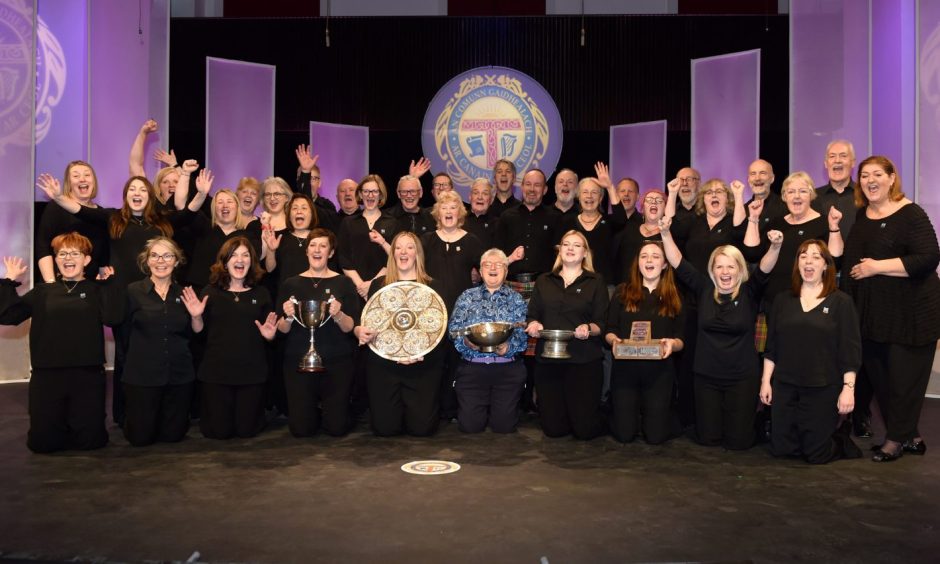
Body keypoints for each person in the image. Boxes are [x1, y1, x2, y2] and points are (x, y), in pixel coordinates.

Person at [841, 155, 940, 462]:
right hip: (873, 316)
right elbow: (853, 264)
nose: (871, 181)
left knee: (903, 381)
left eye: (877, 175)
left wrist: (876, 267)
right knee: (882, 379)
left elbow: (928, 258)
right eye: (865, 176)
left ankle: (895, 439)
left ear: (891, 178)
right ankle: (911, 436)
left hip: (912, 315)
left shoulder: (910, 214)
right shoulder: (862, 216)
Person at [659, 215, 783, 449]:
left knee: (738, 443)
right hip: (706, 376)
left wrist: (775, 246)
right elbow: (679, 263)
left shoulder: (749, 292)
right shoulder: (704, 288)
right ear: (712, 270)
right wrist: (665, 233)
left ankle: (758, 423)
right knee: (709, 439)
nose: (725, 272)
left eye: (731, 266)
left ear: (740, 269)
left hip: (741, 378)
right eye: (720, 266)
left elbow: (765, 268)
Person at [0, 233, 121, 453]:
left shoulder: (96, 289)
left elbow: (112, 318)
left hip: (87, 373)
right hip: (48, 373)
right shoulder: (42, 292)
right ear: (55, 260)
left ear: (86, 260)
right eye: (62, 253)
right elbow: (7, 316)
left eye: (75, 253)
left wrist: (110, 286)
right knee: (43, 444)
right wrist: (9, 281)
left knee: (91, 442)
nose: (68, 257)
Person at [760, 240, 862, 463]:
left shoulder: (841, 302)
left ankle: (841, 439)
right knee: (781, 449)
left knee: (816, 455)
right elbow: (772, 346)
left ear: (826, 265)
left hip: (822, 387)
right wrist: (766, 381)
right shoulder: (782, 300)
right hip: (786, 385)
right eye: (803, 256)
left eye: (816, 257)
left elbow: (850, 350)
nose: (809, 261)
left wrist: (848, 389)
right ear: (797, 263)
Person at [183, 237, 278, 439]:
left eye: (245, 255)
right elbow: (198, 332)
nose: (240, 260)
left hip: (251, 373)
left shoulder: (261, 293)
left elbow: (269, 332)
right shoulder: (210, 292)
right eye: (234, 255)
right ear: (225, 262)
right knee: (219, 432)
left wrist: (270, 336)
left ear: (251, 262)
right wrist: (196, 316)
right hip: (217, 373)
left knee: (247, 431)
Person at [354, 232, 446, 437]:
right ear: (392, 253)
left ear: (418, 254)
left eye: (410, 247)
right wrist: (359, 330)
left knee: (422, 430)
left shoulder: (434, 286)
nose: (404, 252)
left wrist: (422, 353)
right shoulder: (378, 285)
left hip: (422, 365)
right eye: (398, 248)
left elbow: (439, 330)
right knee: (385, 429)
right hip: (384, 364)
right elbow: (365, 322)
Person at [525, 230, 609, 439]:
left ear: (584, 253)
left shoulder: (595, 281)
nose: (570, 248)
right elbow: (531, 315)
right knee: (554, 430)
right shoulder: (544, 280)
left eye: (577, 245)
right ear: (560, 250)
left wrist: (588, 329)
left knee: (584, 431)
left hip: (583, 361)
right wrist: (533, 324)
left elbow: (602, 323)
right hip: (548, 361)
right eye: (566, 244)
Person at [277, 228, 360, 437]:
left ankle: (338, 411)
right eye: (313, 245)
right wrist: (287, 316)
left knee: (337, 428)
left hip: (336, 359)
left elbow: (350, 327)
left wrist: (339, 314)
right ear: (306, 251)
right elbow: (282, 329)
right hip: (298, 361)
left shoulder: (343, 283)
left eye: (323, 246)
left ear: (331, 253)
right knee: (301, 430)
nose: (317, 250)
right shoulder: (290, 283)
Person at [605, 242, 684, 444]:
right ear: (637, 262)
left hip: (659, 372)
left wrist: (672, 344)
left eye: (656, 256)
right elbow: (610, 330)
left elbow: (681, 338)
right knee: (624, 435)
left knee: (656, 437)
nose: (649, 260)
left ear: (665, 264)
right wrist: (614, 341)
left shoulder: (674, 295)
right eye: (644, 256)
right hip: (625, 370)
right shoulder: (622, 292)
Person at [121, 237, 196, 446]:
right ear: (147, 261)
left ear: (176, 261)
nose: (160, 261)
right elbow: (123, 332)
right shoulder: (133, 291)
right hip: (142, 375)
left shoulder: (185, 293)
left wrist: (197, 315)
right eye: (154, 255)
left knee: (173, 436)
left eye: (167, 256)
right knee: (140, 438)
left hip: (178, 374)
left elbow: (194, 334)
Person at [448, 249, 528, 433]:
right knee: (470, 426)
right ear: (480, 271)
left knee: (504, 427)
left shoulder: (516, 299)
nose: (493, 267)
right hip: (473, 368)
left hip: (507, 370)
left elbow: (522, 333)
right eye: (487, 264)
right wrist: (466, 343)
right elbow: (453, 330)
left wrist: (509, 347)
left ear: (506, 271)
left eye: (499, 264)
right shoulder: (466, 297)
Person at [421, 190, 484, 421]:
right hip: (431, 313)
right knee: (435, 363)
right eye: (444, 207)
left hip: (462, 314)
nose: (449, 211)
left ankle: (457, 409)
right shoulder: (426, 240)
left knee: (459, 362)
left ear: (460, 213)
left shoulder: (471, 241)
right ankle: (433, 409)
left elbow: (488, 271)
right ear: (438, 213)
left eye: (453, 207)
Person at [743, 171, 843, 307]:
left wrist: (834, 227)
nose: (796, 196)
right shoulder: (776, 223)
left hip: (810, 302)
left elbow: (835, 262)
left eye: (802, 191)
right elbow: (752, 253)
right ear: (784, 196)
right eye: (790, 192)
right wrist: (753, 218)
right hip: (774, 301)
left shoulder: (824, 223)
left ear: (811, 195)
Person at [36, 161, 109, 283]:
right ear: (69, 183)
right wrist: (51, 283)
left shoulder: (101, 213)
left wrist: (104, 283)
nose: (82, 179)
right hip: (58, 283)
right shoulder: (56, 207)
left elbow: (104, 255)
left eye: (87, 175)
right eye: (76, 176)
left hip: (90, 286)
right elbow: (42, 246)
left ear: (94, 181)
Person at [337, 174, 400, 300]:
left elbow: (395, 256)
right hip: (354, 289)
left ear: (380, 195)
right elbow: (343, 258)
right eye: (366, 191)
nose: (370, 195)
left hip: (383, 287)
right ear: (360, 194)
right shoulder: (348, 222)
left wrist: (372, 284)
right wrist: (361, 285)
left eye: (374, 191)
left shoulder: (392, 222)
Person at [495, 169, 561, 281]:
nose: (532, 189)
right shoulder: (506, 216)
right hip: (510, 283)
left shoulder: (555, 218)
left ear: (544, 190)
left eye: (537, 185)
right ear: (522, 187)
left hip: (544, 285)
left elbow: (560, 255)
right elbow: (497, 252)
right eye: (528, 184)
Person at [562, 177, 614, 287]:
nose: (589, 196)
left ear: (600, 198)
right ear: (579, 196)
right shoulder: (566, 222)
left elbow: (622, 218)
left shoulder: (610, 222)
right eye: (585, 192)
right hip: (573, 284)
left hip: (605, 286)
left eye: (594, 192)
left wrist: (610, 187)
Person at [611, 188, 665, 286]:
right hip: (626, 288)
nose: (654, 202)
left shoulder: (668, 234)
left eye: (659, 201)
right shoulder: (629, 227)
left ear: (665, 208)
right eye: (649, 200)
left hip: (657, 289)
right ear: (642, 207)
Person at [595, 163, 641, 233]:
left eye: (630, 191)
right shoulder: (606, 221)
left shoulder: (644, 221)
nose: (626, 194)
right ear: (615, 195)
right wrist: (609, 187)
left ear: (638, 197)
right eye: (622, 191)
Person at [744, 159, 787, 233]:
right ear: (748, 179)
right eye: (753, 174)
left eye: (762, 173)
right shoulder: (743, 210)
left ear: (772, 178)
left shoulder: (784, 206)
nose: (757, 178)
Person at [463, 178, 500, 249]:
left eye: (485, 194)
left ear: (491, 200)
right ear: (470, 197)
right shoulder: (459, 221)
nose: (480, 197)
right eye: (476, 193)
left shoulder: (498, 224)